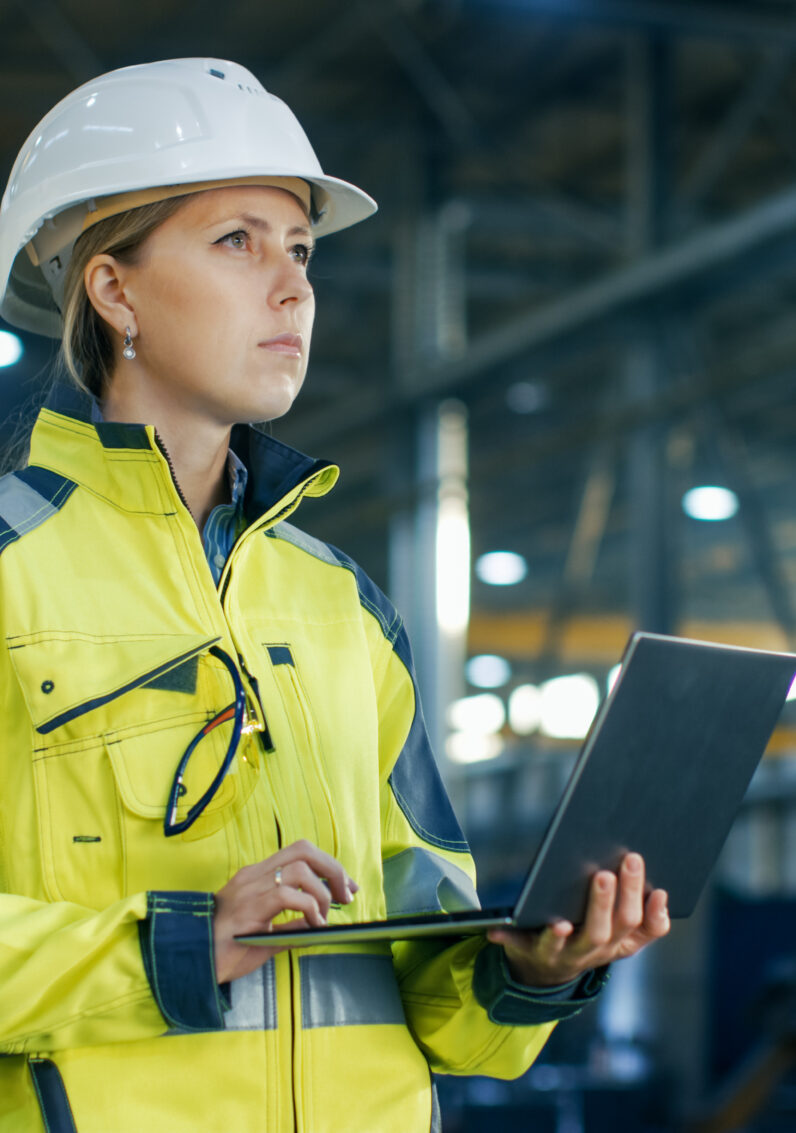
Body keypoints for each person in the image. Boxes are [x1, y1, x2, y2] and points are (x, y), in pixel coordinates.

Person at [0, 59, 670, 1133]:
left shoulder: (342, 606)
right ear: (112, 288)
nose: (293, 285)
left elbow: (436, 981)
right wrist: (171, 946)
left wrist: (533, 968)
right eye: (237, 241)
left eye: (300, 248)